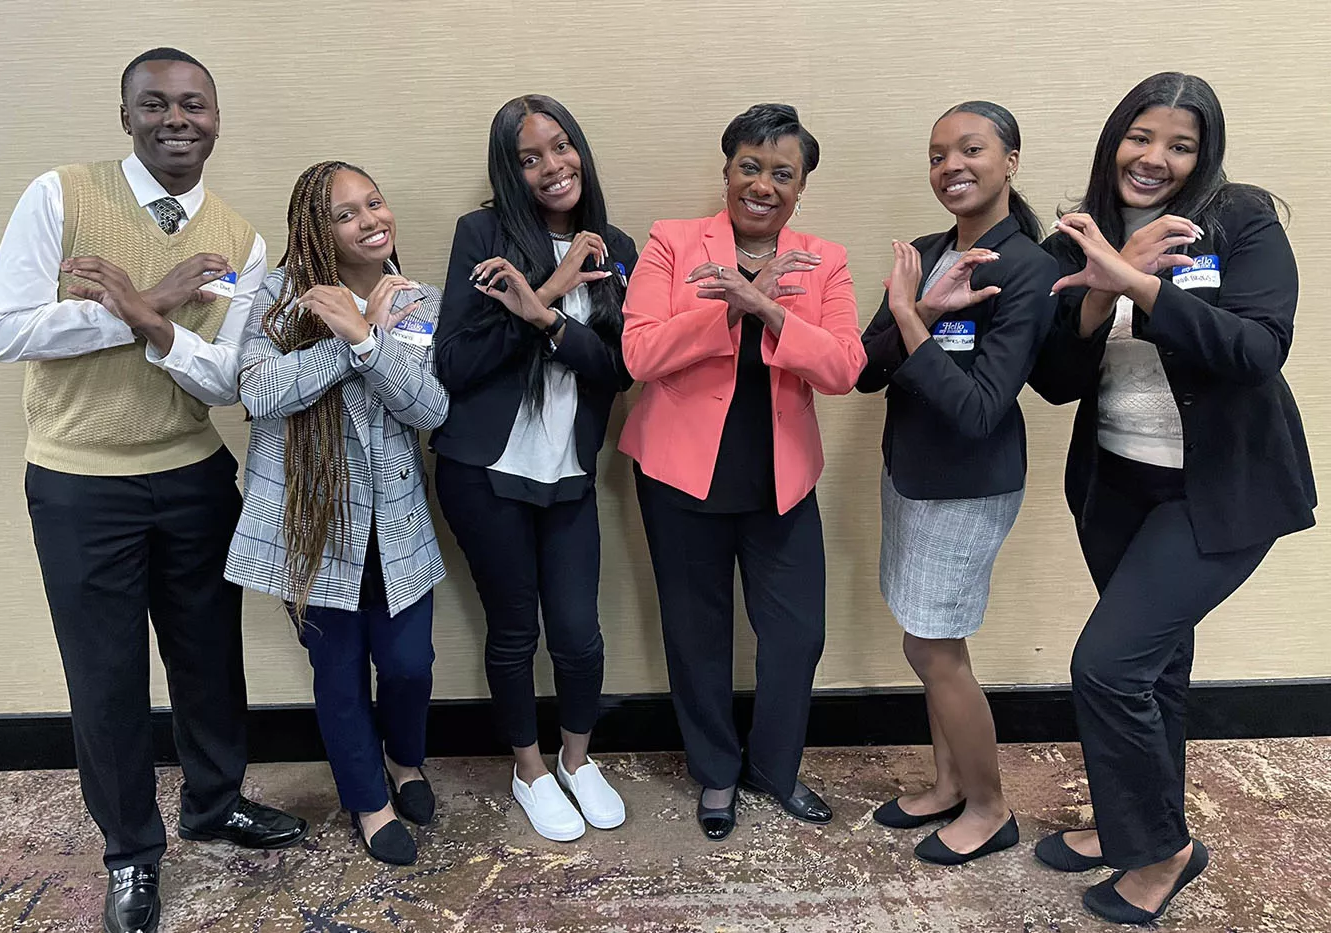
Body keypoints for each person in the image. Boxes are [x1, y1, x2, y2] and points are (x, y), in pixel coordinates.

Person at [0, 47, 305, 933]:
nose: (176, 120)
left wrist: (151, 318)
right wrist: (139, 300)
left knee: (210, 660)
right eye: (155, 104)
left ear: (215, 119)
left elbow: (227, 382)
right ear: (125, 115)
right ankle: (130, 848)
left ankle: (215, 800)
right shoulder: (60, 194)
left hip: (194, 476)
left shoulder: (243, 238)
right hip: (80, 484)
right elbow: (5, 331)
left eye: (193, 105)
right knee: (107, 676)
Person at [1028, 72, 1315, 925]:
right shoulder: (1074, 237)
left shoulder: (1241, 220)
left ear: (1203, 156)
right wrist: (1104, 282)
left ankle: (1161, 852)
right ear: (1114, 138)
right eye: (1140, 136)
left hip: (1220, 490)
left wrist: (1141, 283)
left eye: (1179, 145)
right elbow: (1053, 379)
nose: (1154, 158)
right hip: (1119, 483)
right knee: (1155, 671)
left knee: (1108, 666)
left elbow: (1259, 349)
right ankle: (1133, 822)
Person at [620, 103, 866, 841]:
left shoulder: (826, 259)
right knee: (697, 633)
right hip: (678, 474)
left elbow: (844, 368)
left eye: (781, 173)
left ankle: (775, 767)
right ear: (726, 171)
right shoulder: (672, 242)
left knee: (796, 635)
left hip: (779, 480)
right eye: (749, 167)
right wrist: (728, 311)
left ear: (801, 187)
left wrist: (769, 308)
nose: (763, 184)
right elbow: (640, 355)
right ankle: (717, 773)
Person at [226, 161, 448, 866]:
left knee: (410, 665)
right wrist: (343, 339)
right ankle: (370, 799)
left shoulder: (415, 301)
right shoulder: (275, 298)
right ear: (314, 231)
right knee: (339, 673)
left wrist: (368, 339)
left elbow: (430, 407)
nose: (369, 219)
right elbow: (259, 391)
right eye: (346, 213)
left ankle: (406, 761)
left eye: (374, 202)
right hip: (316, 526)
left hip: (398, 524)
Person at [856, 101, 1057, 865]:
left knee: (936, 650)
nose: (951, 167)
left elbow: (979, 410)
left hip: (968, 486)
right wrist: (908, 311)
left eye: (970, 149)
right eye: (938, 154)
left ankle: (990, 806)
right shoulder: (931, 250)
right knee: (925, 643)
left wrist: (912, 319)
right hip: (910, 472)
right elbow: (866, 373)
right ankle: (946, 782)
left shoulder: (1030, 269)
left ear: (1010, 160)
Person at [433, 95, 637, 842]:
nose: (553, 166)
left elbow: (619, 370)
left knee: (579, 633)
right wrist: (545, 295)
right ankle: (529, 771)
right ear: (510, 170)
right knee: (515, 630)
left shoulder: (613, 246)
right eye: (530, 156)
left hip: (568, 474)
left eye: (561, 147)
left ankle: (578, 761)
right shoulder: (482, 234)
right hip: (484, 471)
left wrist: (548, 319)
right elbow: (452, 364)